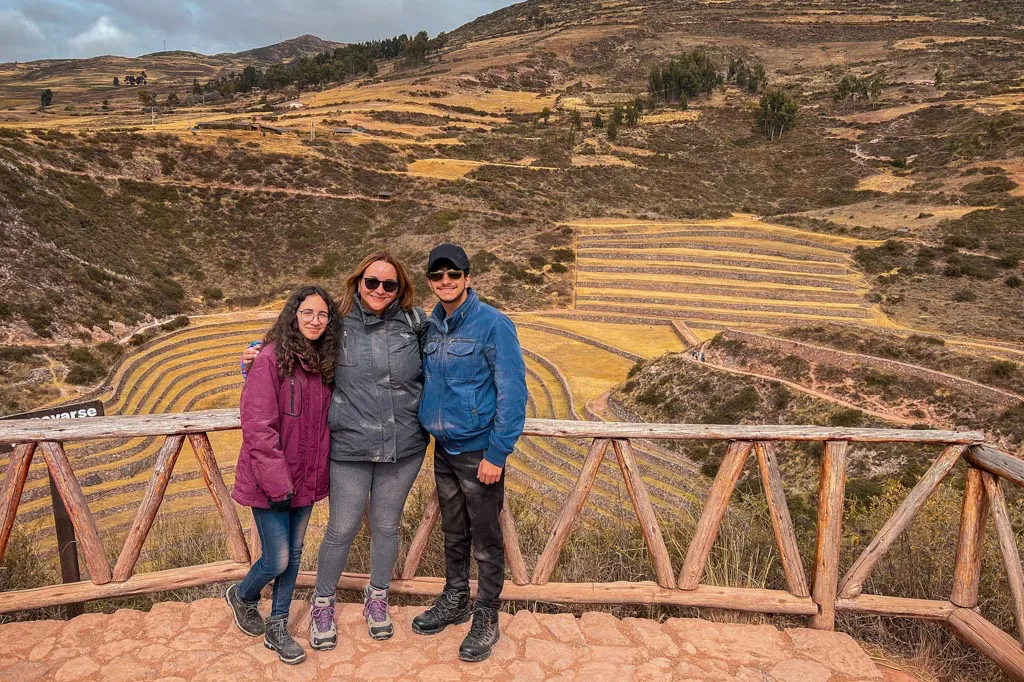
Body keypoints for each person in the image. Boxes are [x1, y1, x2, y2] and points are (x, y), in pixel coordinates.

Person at [241, 252, 427, 649]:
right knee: (341, 528)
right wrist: (255, 355)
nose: (379, 290)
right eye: (371, 282)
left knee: (387, 527)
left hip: (404, 445)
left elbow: (443, 364)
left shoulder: (416, 323)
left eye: (388, 284)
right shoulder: (336, 324)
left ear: (400, 289)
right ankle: (323, 603)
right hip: (350, 446)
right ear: (358, 281)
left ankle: (377, 599)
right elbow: (292, 343)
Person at [411, 244, 528, 663]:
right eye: (437, 275)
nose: (445, 281)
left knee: (485, 537)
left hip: (479, 451)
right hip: (443, 450)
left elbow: (513, 394)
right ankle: (455, 598)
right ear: (430, 281)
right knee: (454, 531)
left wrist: (496, 454)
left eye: (453, 274)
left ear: (467, 277)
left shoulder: (493, 325)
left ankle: (486, 614)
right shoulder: (430, 327)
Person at [225, 285, 338, 665]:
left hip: (306, 480)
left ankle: (278, 626)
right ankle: (242, 595)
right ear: (293, 315)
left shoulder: (325, 364)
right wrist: (277, 484)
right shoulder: (270, 358)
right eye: (307, 313)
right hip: (270, 481)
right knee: (277, 559)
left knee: (294, 555)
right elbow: (258, 426)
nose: (315, 321)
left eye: (322, 315)